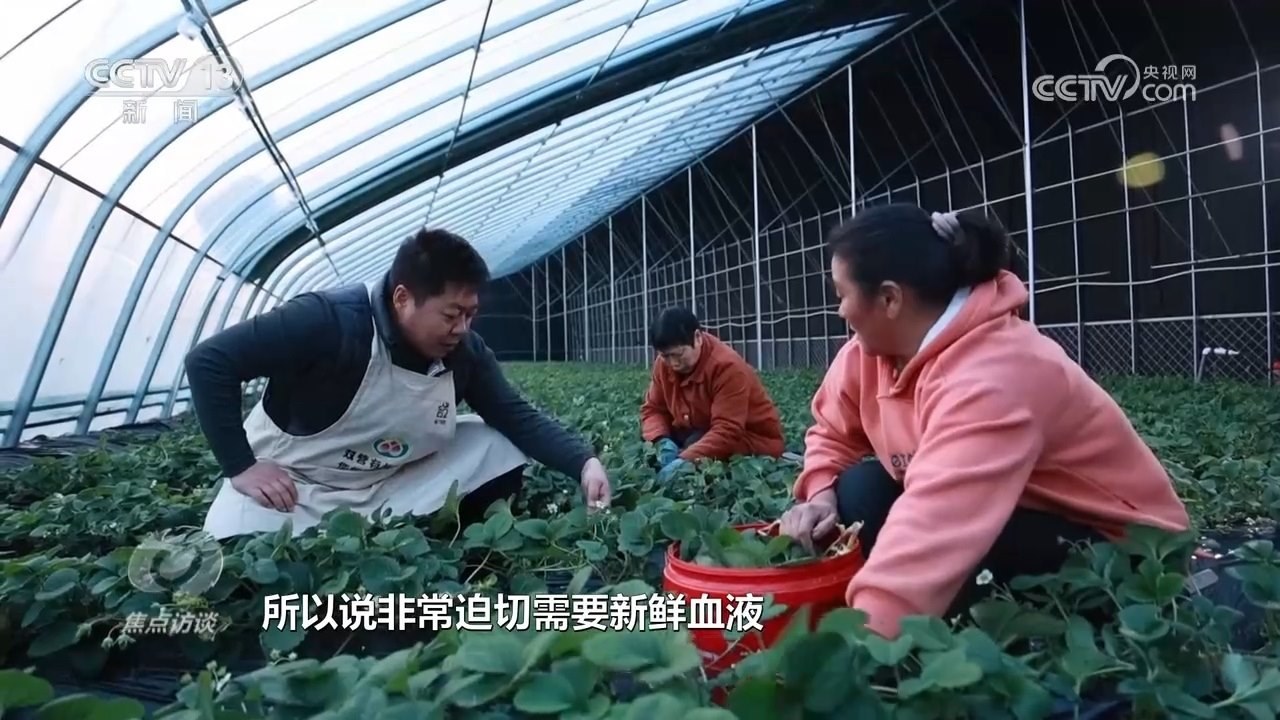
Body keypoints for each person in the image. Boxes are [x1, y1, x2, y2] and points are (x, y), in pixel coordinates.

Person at [778, 204, 1190, 639]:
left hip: (1124, 549)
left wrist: (854, 649)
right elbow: (832, 433)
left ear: (889, 299)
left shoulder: (996, 374)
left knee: (927, 542)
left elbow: (937, 525)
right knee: (860, 489)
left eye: (841, 294)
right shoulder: (868, 354)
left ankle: (952, 626)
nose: (840, 312)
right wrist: (820, 496)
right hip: (1011, 511)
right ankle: (938, 614)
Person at [186, 228, 612, 540]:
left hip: (387, 483)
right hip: (296, 488)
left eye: (471, 315)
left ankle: (437, 545)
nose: (462, 328)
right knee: (234, 542)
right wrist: (241, 466)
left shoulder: (465, 353)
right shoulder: (327, 321)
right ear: (403, 298)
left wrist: (584, 463)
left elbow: (515, 416)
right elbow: (209, 362)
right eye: (451, 315)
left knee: (494, 445)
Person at [640, 307, 786, 483]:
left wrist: (685, 460)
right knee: (657, 448)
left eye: (678, 355)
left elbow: (728, 430)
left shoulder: (726, 367)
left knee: (696, 453)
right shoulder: (663, 364)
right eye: (665, 356)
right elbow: (653, 409)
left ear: (697, 338)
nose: (673, 363)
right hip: (699, 432)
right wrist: (661, 440)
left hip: (750, 439)